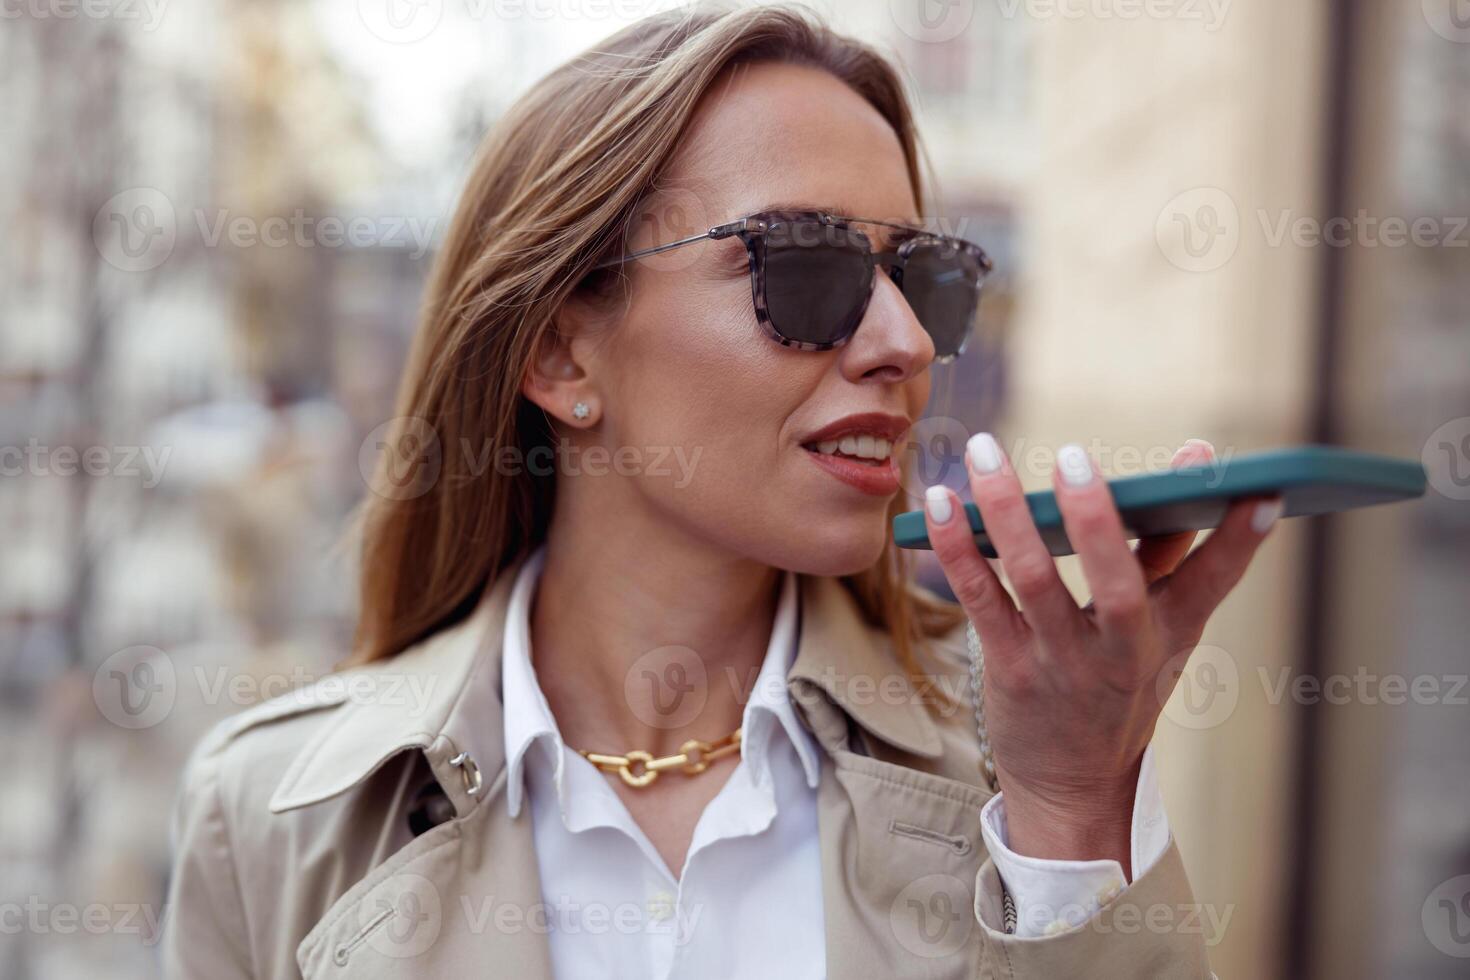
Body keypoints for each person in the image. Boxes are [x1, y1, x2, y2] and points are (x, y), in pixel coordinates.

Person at [162, 6, 1276, 977]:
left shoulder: (1023, 750)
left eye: (924, 279)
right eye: (805, 267)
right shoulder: (272, 816)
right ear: (560, 354)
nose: (903, 343)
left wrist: (1074, 812)